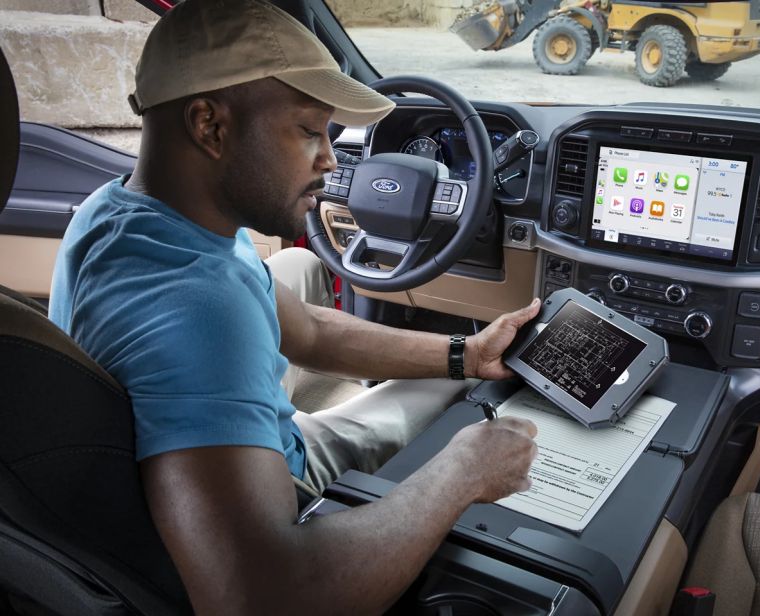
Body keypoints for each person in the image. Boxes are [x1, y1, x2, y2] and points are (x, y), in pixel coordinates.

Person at [48, 0, 539, 613]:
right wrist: (461, 474)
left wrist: (469, 352)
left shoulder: (123, 210)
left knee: (337, 295)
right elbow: (261, 596)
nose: (331, 159)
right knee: (458, 412)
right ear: (209, 125)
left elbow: (305, 329)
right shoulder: (200, 310)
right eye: (309, 131)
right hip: (277, 487)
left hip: (215, 458)